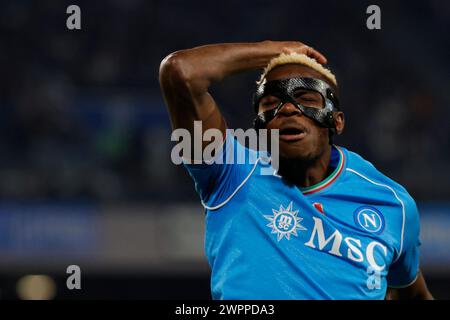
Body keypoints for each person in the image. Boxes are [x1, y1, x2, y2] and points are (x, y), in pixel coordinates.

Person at [159, 41, 433, 299]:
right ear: (261, 126)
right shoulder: (229, 172)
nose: (288, 108)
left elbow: (413, 293)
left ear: (336, 122)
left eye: (306, 98)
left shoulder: (391, 203)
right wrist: (273, 51)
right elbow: (181, 72)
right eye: (270, 103)